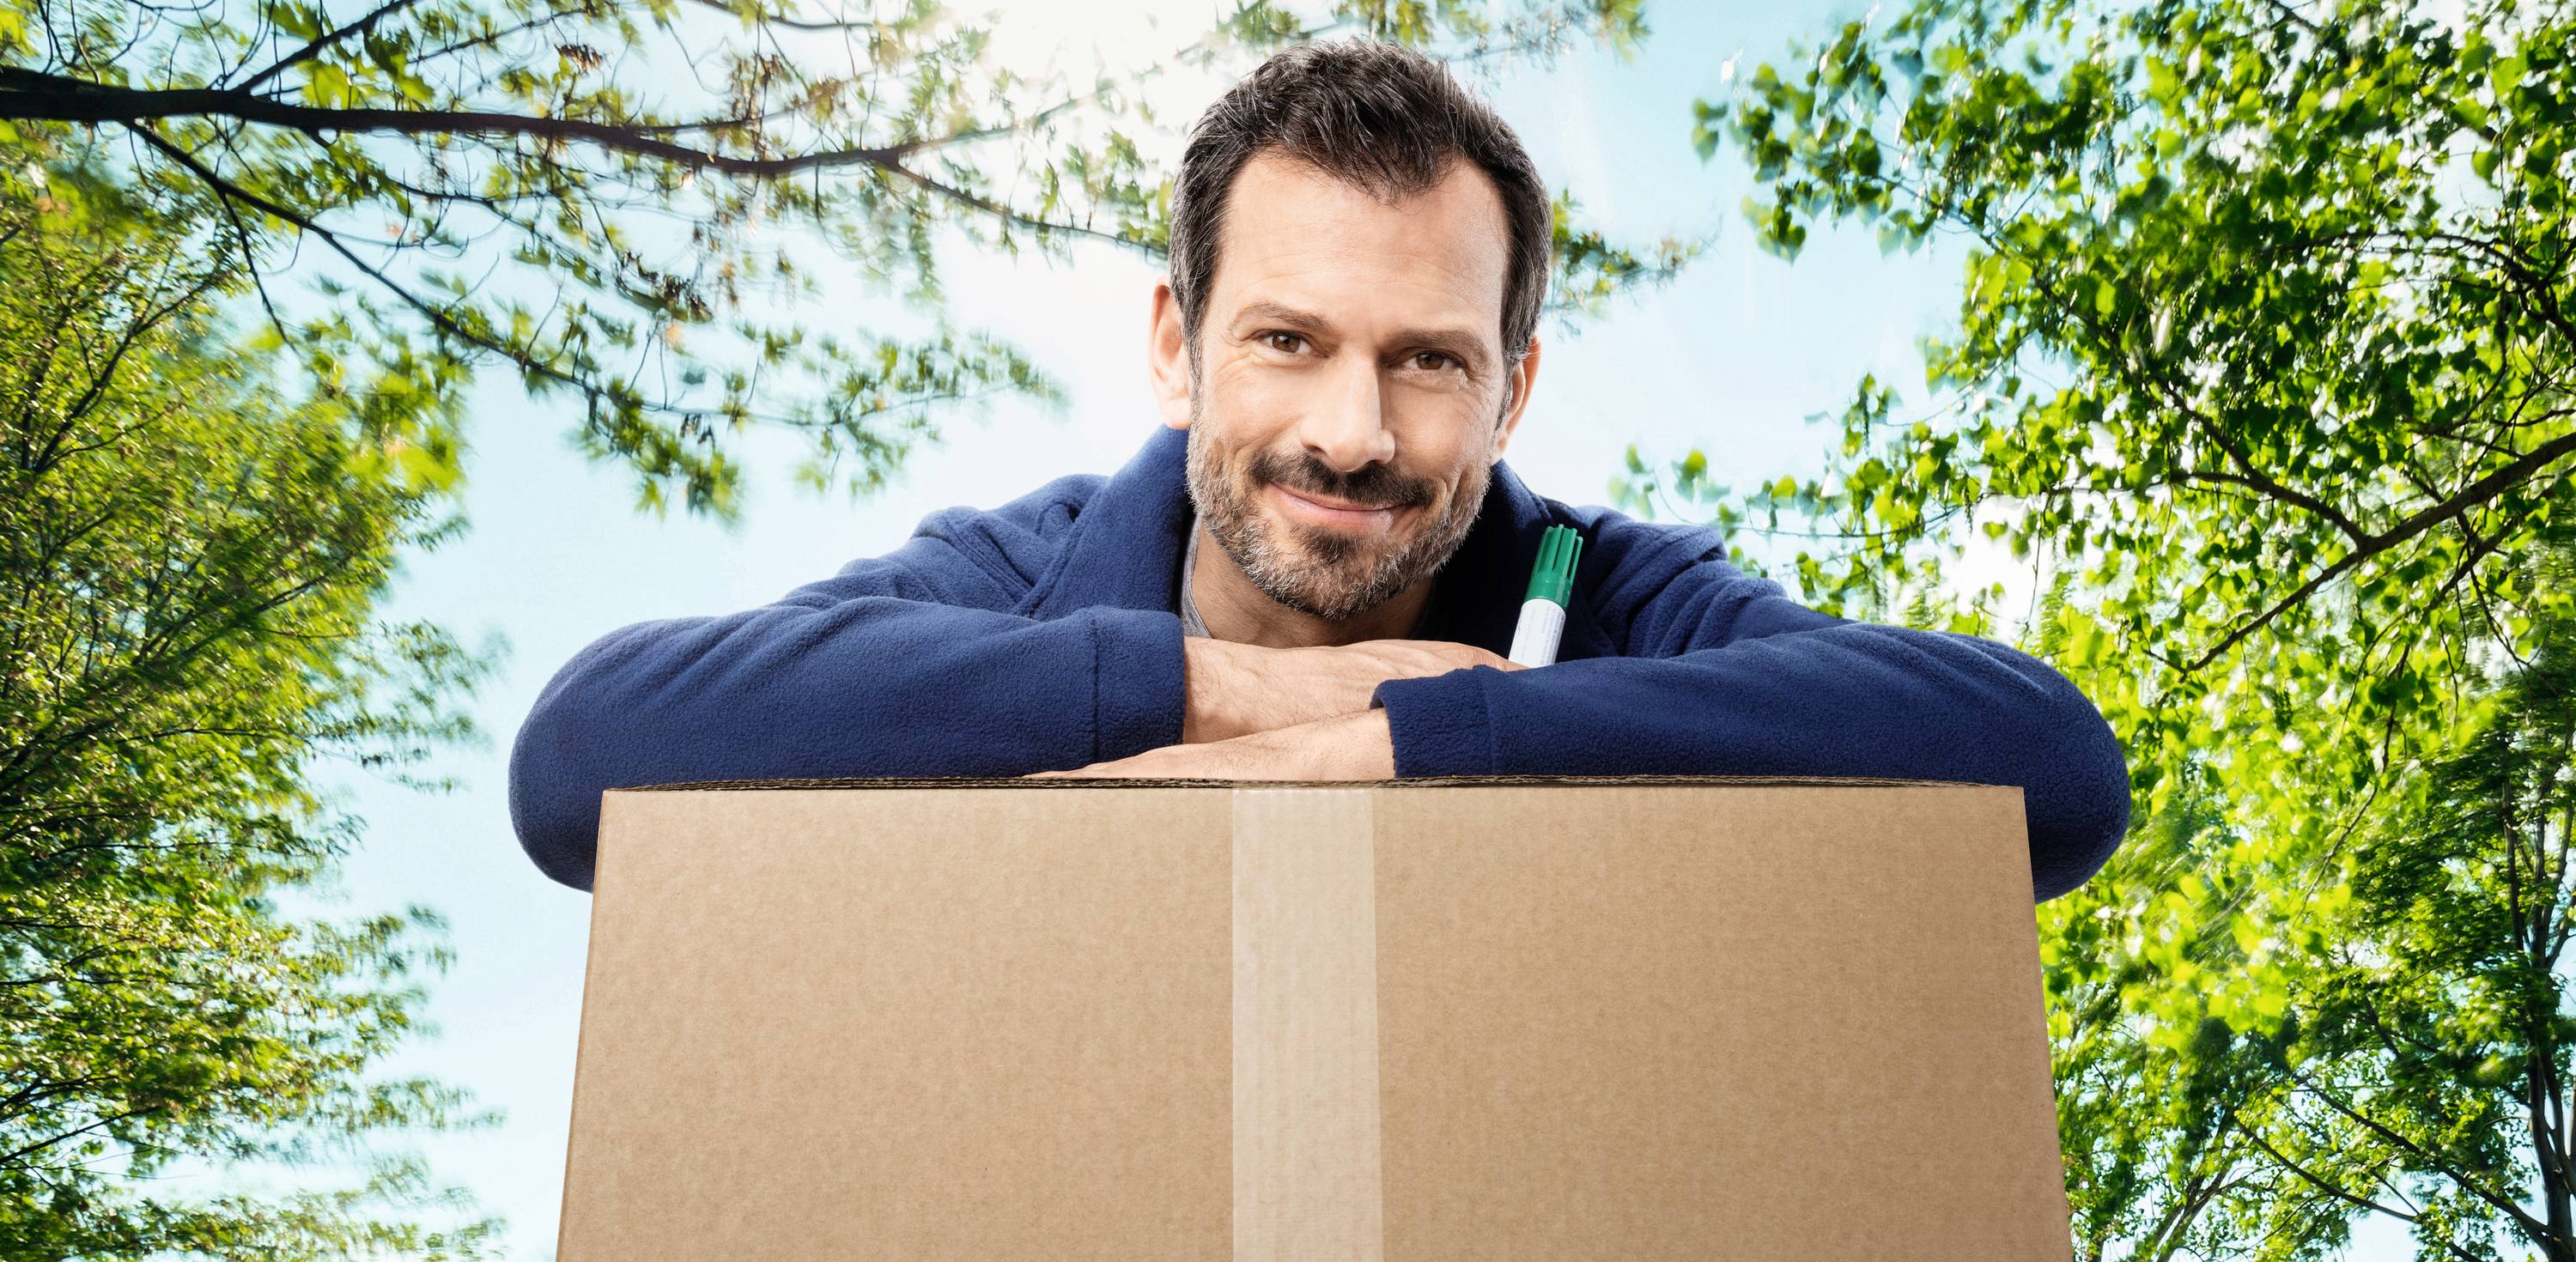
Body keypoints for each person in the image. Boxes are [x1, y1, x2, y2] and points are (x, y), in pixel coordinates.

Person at [507, 38, 2132, 901]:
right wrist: (1235, 698)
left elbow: (2048, 770)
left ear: (1512, 392)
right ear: (1178, 347)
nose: (1355, 431)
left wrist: (1413, 741)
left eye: (1429, 360)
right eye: (1288, 340)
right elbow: (584, 762)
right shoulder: (1020, 574)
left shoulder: (1615, 592)